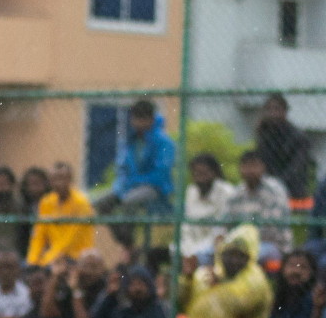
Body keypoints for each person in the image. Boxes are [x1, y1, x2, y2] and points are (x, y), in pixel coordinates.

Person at [179, 225, 273, 318]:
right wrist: (187, 278)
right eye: (229, 254)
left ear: (250, 257)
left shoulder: (255, 278)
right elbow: (181, 301)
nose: (233, 260)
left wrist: (221, 284)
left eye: (240, 256)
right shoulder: (205, 276)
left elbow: (241, 303)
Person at [93, 99, 176, 251]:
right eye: (136, 118)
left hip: (154, 188)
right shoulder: (131, 141)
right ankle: (126, 243)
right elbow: (122, 169)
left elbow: (161, 174)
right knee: (100, 203)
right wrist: (121, 186)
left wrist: (135, 182)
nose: (139, 123)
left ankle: (129, 245)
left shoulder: (164, 143)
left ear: (151, 119)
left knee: (129, 201)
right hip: (130, 186)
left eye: (143, 118)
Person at [226, 149, 293, 261]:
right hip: (239, 245)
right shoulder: (236, 193)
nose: (249, 170)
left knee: (243, 257)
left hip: (273, 246)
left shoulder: (275, 190)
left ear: (263, 168)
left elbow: (271, 231)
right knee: (210, 253)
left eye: (254, 166)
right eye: (246, 166)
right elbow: (226, 222)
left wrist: (242, 241)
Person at [26, 162, 95, 267]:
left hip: (77, 257)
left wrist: (45, 261)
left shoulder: (81, 203)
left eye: (62, 178)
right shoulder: (46, 202)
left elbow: (70, 240)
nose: (59, 183)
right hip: (53, 256)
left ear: (70, 179)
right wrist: (32, 261)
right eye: (54, 179)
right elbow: (39, 234)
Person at [181, 153, 238, 261]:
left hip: (214, 244)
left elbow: (221, 229)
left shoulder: (226, 192)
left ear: (214, 173)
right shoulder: (191, 191)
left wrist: (196, 250)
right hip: (192, 243)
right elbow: (186, 227)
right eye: (196, 174)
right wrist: (188, 248)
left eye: (204, 174)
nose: (200, 178)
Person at [255, 93, 311, 200]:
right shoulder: (263, 134)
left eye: (276, 109)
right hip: (267, 189)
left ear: (285, 111)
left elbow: (297, 167)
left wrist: (276, 185)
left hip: (291, 190)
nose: (272, 113)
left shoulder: (297, 137)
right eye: (269, 109)